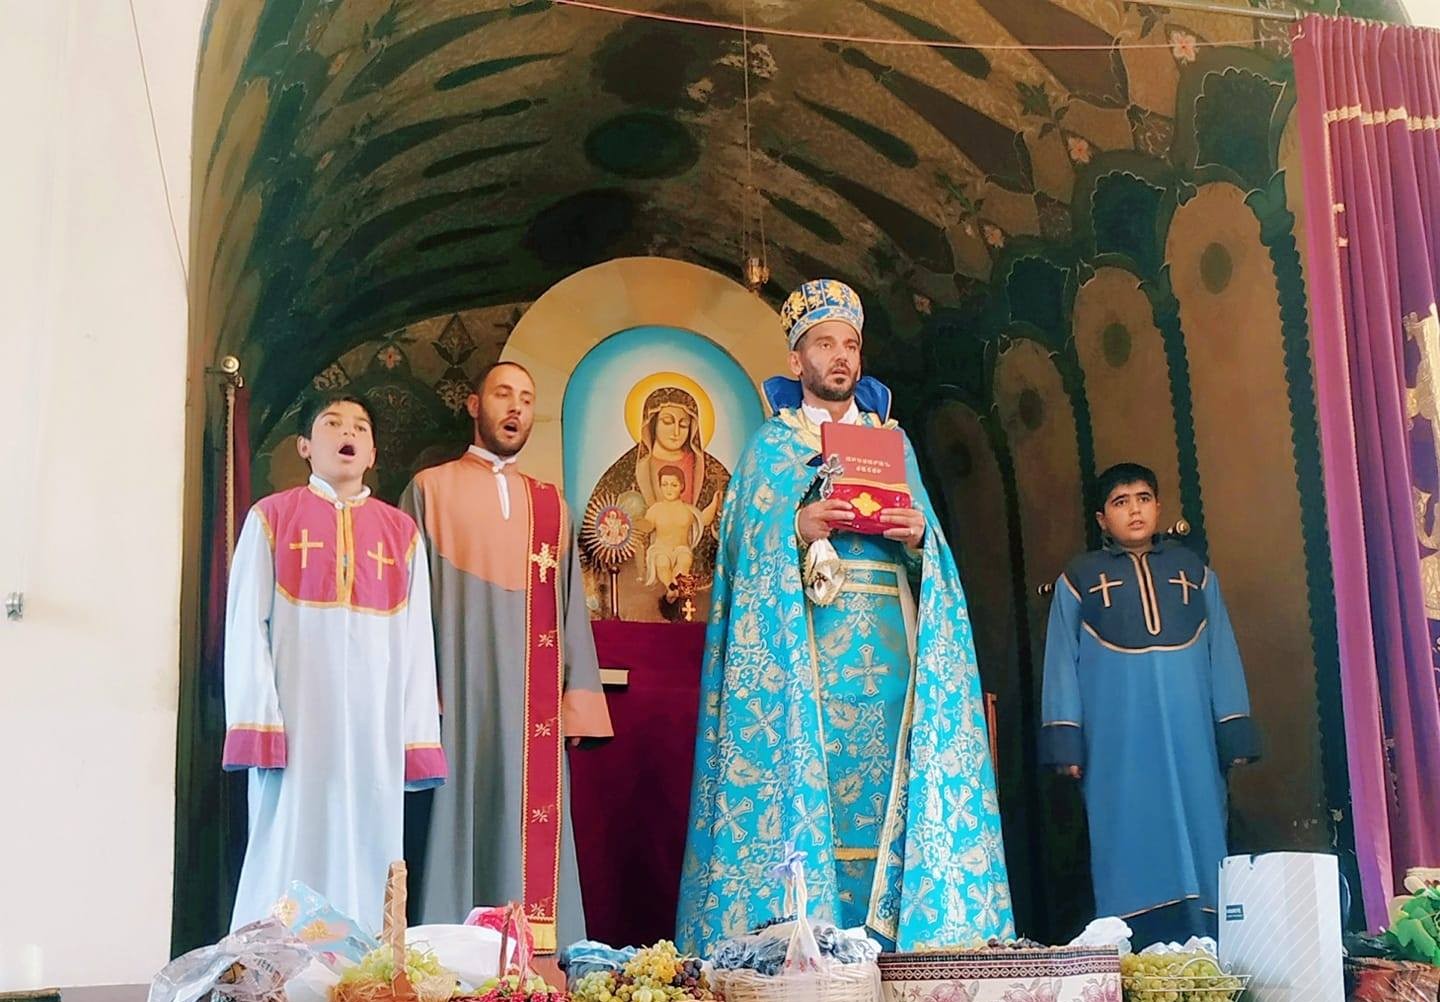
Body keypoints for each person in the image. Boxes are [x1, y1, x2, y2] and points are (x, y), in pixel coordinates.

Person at [676, 279, 1013, 953]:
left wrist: (919, 538)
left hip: (891, 656)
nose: (840, 357)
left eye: (851, 345)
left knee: (892, 789)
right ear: (796, 358)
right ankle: (808, 945)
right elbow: (736, 550)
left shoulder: (894, 442)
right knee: (817, 798)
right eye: (825, 344)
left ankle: (895, 945)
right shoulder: (770, 447)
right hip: (805, 657)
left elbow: (935, 557)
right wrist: (795, 525)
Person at [401, 360, 613, 953]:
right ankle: (443, 953)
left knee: (527, 816)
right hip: (455, 689)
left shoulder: (552, 505)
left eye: (526, 397)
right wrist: (417, 694)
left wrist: (577, 700)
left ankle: (531, 958)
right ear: (474, 405)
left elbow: (570, 606)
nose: (515, 407)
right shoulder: (429, 489)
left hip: (530, 701)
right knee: (454, 815)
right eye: (502, 394)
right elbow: (408, 602)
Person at [224, 393, 445, 932]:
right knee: (286, 840)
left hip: (374, 730)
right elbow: (246, 626)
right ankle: (271, 962)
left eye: (360, 428)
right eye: (332, 423)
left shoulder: (401, 534)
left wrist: (415, 737)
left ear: (372, 453)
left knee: (369, 845)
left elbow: (418, 643)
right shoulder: (272, 518)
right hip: (296, 721)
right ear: (304, 445)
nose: (348, 433)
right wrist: (258, 721)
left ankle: (361, 965)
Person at [1040, 462, 1260, 945]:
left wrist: (1233, 728)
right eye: (1120, 503)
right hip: (1116, 737)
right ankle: (1133, 944)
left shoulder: (1193, 573)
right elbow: (1060, 660)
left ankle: (1207, 937)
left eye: (1143, 499)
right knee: (1124, 830)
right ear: (1102, 519)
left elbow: (1222, 650)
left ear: (1158, 507)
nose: (1134, 511)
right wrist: (1065, 739)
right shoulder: (1080, 578)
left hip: (1192, 733)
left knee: (1202, 821)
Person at [637, 465, 721, 592]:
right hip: (660, 549)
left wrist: (715, 502)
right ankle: (671, 588)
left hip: (681, 549)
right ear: (660, 486)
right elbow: (648, 526)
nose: (669, 489)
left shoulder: (687, 510)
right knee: (662, 563)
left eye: (673, 485)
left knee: (684, 561)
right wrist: (635, 521)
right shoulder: (656, 509)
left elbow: (703, 520)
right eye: (664, 485)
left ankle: (676, 589)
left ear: (681, 486)